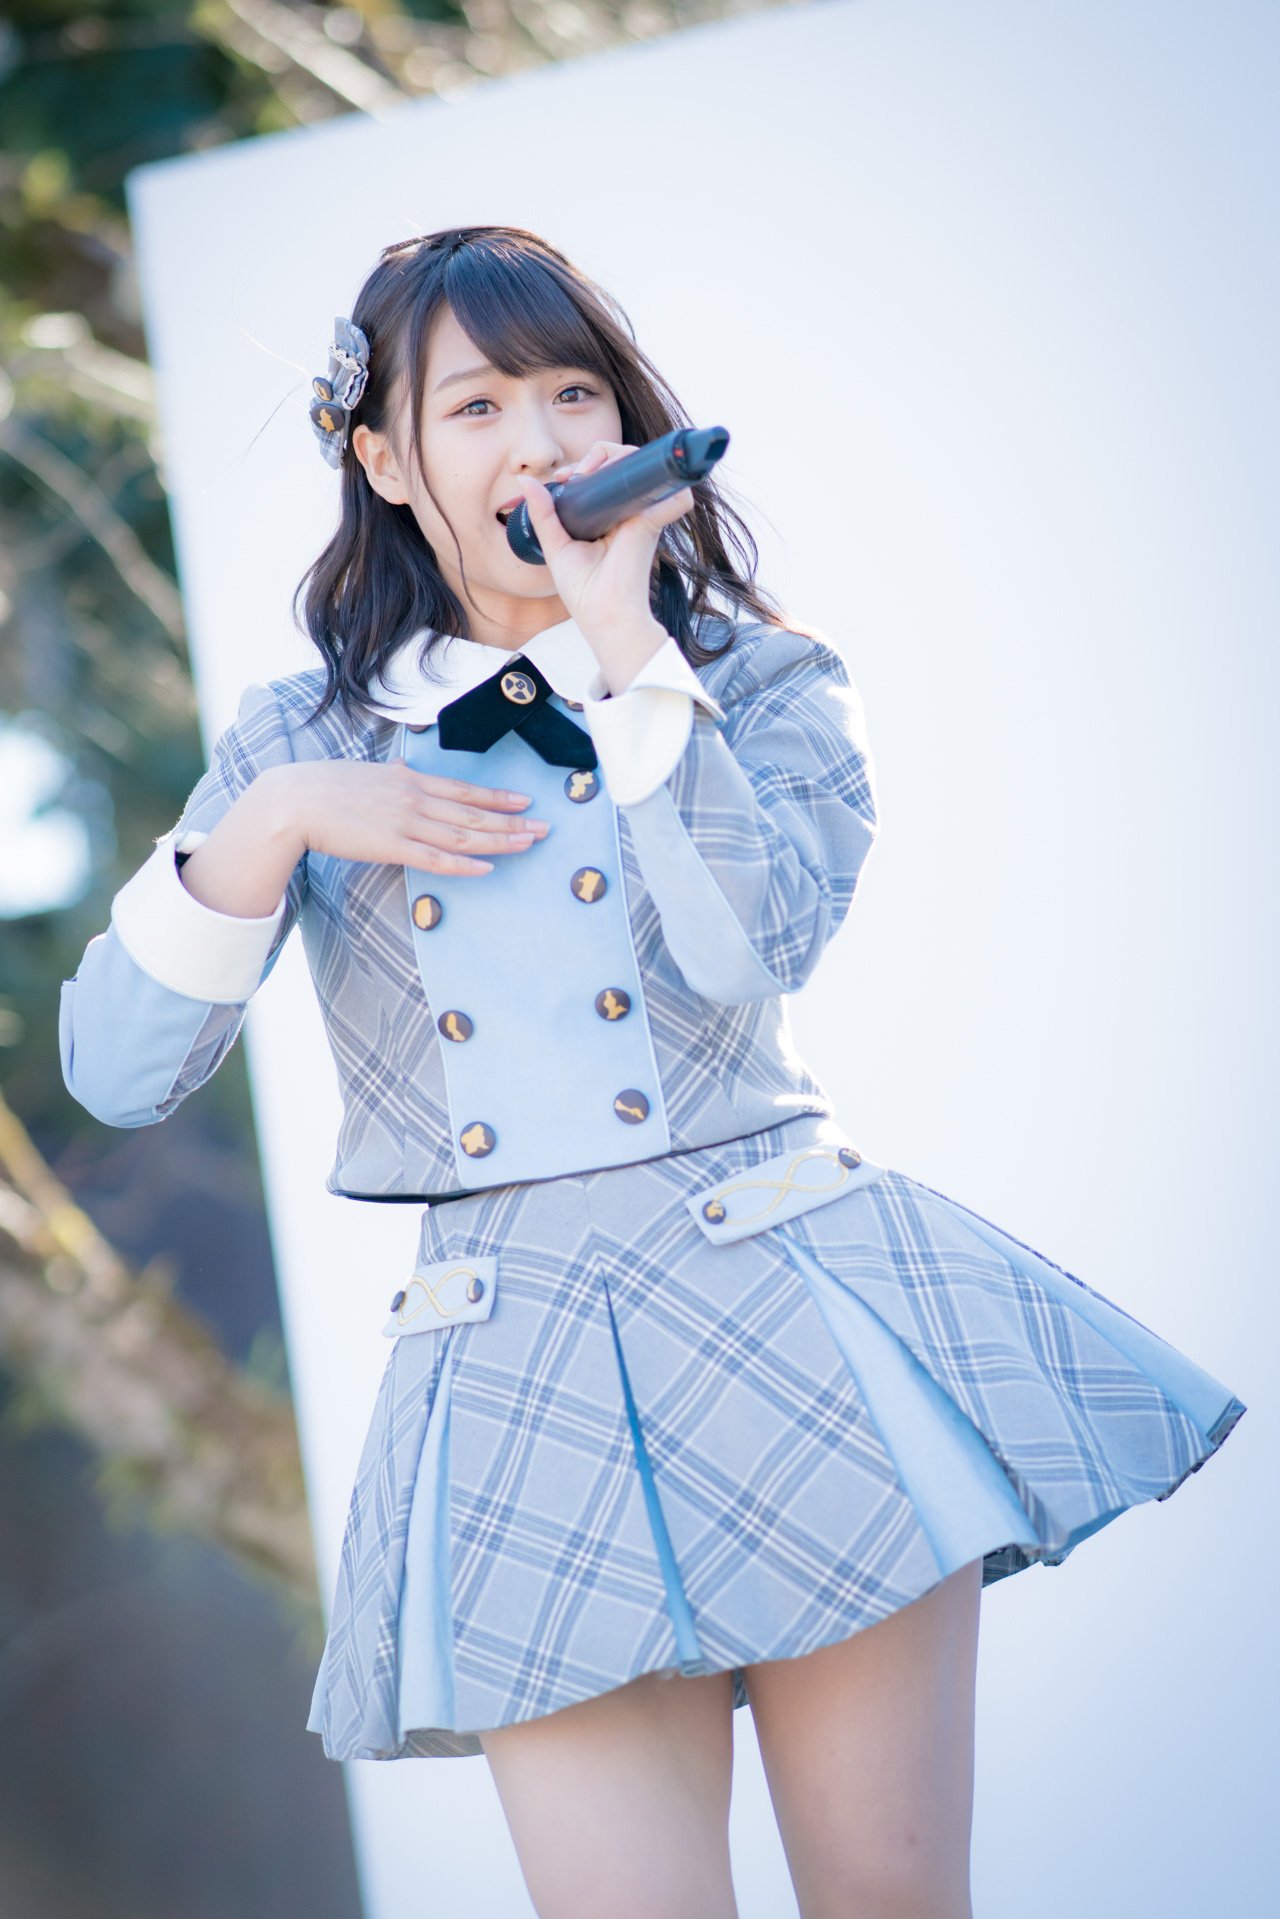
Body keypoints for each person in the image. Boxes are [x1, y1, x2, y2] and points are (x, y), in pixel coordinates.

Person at [59, 225, 1246, 1919]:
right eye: (477, 406)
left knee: (890, 1899)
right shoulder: (301, 739)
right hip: (514, 1365)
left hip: (785, 1312)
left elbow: (753, 949)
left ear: (631, 428)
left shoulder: (761, 680)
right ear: (385, 462)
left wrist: (633, 663)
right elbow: (114, 1072)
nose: (540, 443)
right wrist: (281, 821)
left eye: (574, 394)